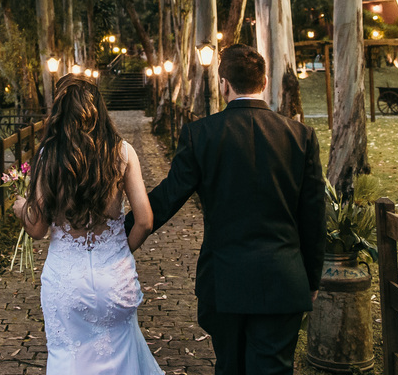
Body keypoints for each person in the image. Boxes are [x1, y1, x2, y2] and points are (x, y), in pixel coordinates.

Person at [134, 44, 325, 375]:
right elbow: (313, 217)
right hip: (283, 279)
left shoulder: (200, 134)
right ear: (264, 81)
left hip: (224, 281)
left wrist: (117, 234)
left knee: (229, 367)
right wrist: (311, 278)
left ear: (223, 84)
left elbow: (168, 197)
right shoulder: (301, 137)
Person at [12, 74, 164, 375]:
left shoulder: (50, 155)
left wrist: (20, 208)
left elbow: (38, 228)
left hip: (66, 282)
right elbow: (144, 221)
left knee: (69, 358)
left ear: (60, 112)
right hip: (115, 279)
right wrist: (117, 250)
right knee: (124, 356)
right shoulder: (122, 152)